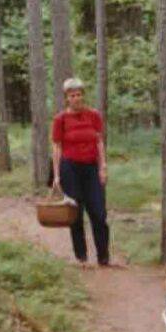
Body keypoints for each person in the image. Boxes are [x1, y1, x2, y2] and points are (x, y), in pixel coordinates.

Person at [51, 77, 112, 268]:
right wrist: (57, 175)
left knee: (99, 213)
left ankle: (103, 256)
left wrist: (103, 167)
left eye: (79, 94)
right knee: (75, 214)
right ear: (66, 98)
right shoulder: (60, 119)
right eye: (72, 95)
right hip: (70, 169)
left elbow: (99, 141)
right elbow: (57, 147)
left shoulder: (93, 115)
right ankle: (81, 257)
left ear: (83, 95)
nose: (76, 98)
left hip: (91, 168)